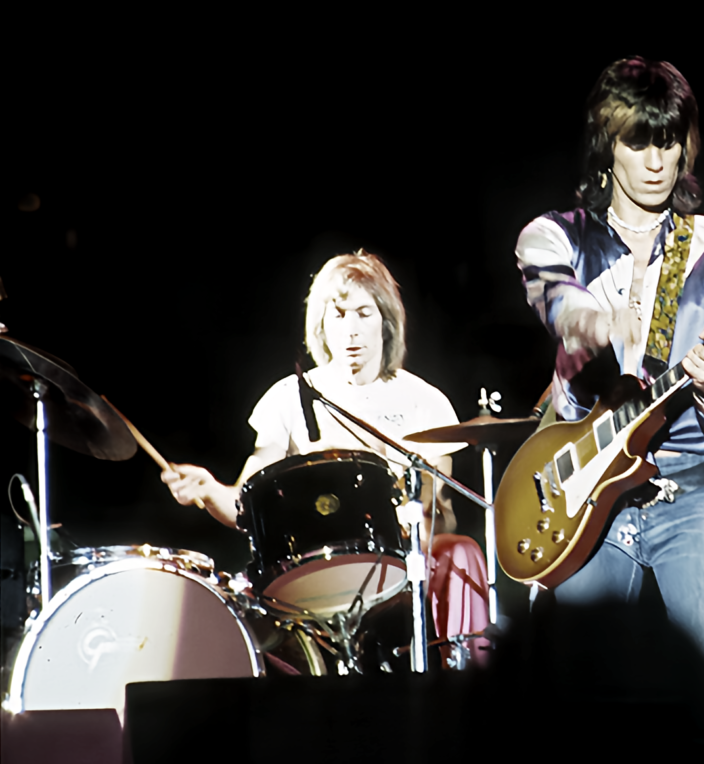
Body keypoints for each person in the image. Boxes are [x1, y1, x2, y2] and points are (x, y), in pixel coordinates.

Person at [515, 56, 704, 699]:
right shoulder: (556, 236)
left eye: (670, 141)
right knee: (575, 688)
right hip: (584, 503)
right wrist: (590, 318)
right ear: (608, 146)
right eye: (640, 141)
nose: (659, 161)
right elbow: (551, 290)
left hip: (690, 497)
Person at [163, 251, 490, 664]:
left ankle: (468, 686)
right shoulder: (289, 397)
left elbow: (437, 514)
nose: (351, 330)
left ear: (386, 322)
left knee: (461, 552)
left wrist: (413, 519)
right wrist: (210, 491)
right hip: (311, 574)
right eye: (338, 316)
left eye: (363, 314)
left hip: (401, 568)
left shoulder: (425, 402)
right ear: (321, 325)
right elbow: (246, 508)